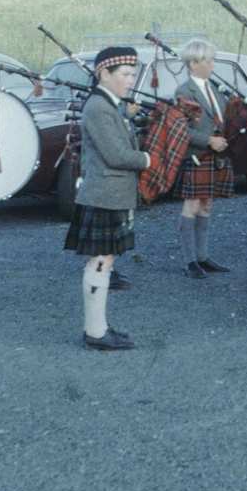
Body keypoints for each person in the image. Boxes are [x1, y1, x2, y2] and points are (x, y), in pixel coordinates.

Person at [65, 47, 150, 351]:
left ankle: (98, 327)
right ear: (104, 73)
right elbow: (116, 155)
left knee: (105, 261)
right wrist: (148, 159)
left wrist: (126, 118)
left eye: (133, 74)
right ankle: (96, 332)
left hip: (111, 194)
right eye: (125, 75)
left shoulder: (109, 105)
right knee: (101, 261)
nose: (131, 81)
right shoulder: (99, 107)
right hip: (104, 194)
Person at [172, 39, 233, 279]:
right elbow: (180, 129)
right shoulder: (184, 91)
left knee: (207, 204)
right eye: (208, 60)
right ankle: (190, 262)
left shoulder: (214, 89)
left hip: (216, 155)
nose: (212, 64)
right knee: (192, 205)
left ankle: (203, 256)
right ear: (194, 63)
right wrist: (208, 141)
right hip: (197, 154)